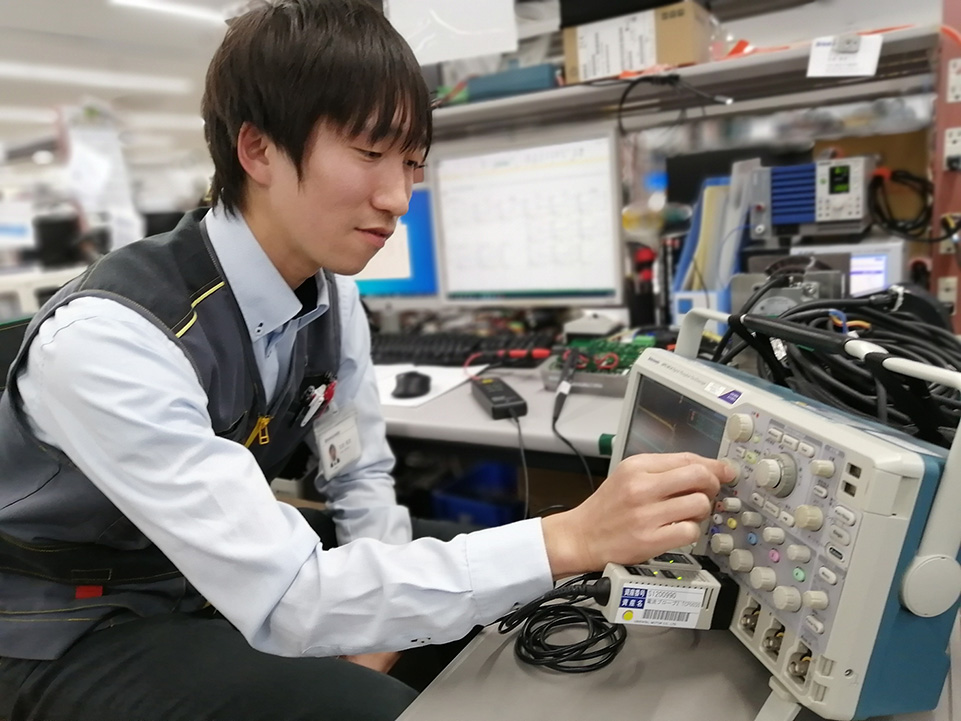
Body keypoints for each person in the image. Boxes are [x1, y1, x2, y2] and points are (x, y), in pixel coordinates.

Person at [0, 1, 733, 720]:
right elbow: (290, 596)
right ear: (256, 149)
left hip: (210, 569)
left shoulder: (325, 293)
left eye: (412, 161)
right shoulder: (111, 339)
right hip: (68, 619)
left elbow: (359, 475)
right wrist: (570, 533)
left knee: (543, 590)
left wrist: (380, 632)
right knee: (373, 699)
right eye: (370, 153)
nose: (397, 196)